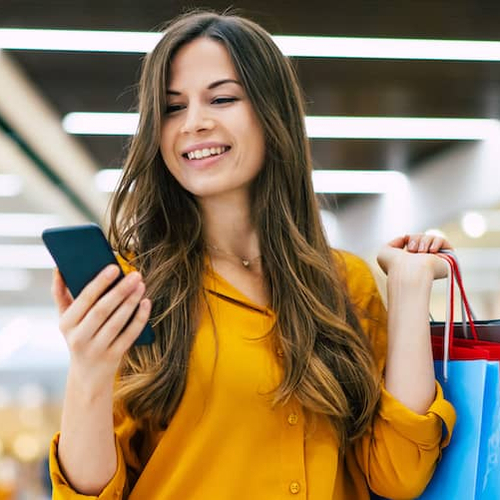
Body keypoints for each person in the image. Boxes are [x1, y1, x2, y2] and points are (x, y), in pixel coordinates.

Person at [48, 10, 455, 500]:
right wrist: (88, 371)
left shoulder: (343, 283)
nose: (194, 123)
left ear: (272, 113)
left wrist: (409, 292)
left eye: (221, 98)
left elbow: (399, 475)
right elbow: (89, 493)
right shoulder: (134, 288)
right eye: (172, 108)